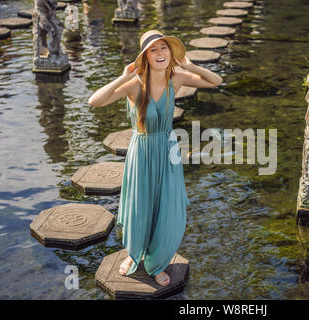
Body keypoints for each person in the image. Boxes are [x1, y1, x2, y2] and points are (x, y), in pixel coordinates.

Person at [88, 30, 222, 286]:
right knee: (140, 207)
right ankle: (134, 254)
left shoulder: (177, 78)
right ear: (145, 56)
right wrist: (122, 76)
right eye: (153, 50)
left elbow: (215, 81)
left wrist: (191, 65)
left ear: (171, 53)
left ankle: (158, 263)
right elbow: (94, 101)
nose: (160, 53)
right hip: (142, 151)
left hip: (168, 150)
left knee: (167, 209)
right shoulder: (134, 84)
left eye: (164, 48)